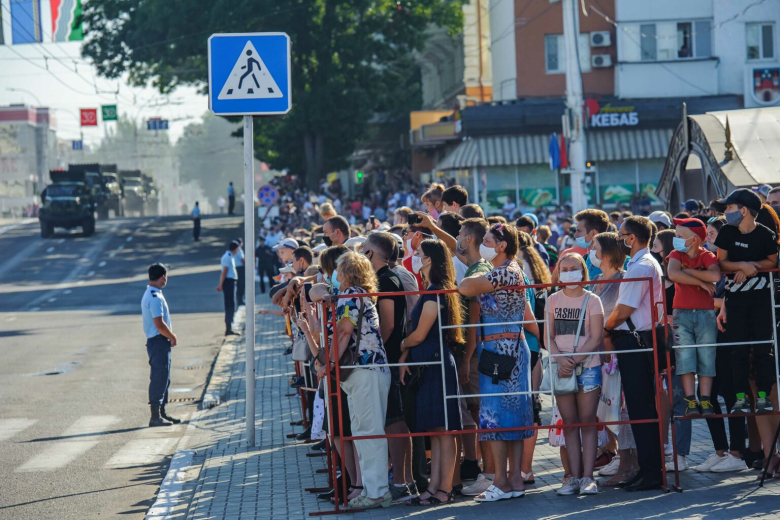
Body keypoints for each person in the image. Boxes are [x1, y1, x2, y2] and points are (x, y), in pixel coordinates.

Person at [459, 223, 540, 502]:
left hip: (501, 349)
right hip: (507, 348)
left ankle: (503, 481)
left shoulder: (504, 272)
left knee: (496, 418)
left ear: (502, 246)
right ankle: (513, 480)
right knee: (513, 418)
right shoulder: (511, 270)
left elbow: (465, 287)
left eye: (488, 241)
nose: (484, 245)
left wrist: (479, 267)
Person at [398, 239, 463, 506]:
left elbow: (420, 334)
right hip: (429, 363)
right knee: (436, 431)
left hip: (436, 363)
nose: (414, 256)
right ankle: (435, 486)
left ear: (428, 261)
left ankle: (444, 489)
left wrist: (401, 346)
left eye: (419, 253)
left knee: (444, 431)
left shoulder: (436, 292)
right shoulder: (431, 289)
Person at [603, 216, 664, 491]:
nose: (619, 239)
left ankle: (652, 472)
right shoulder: (644, 263)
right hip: (638, 338)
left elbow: (624, 309)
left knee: (641, 409)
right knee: (641, 409)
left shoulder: (640, 266)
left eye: (621, 234)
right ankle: (648, 469)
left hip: (634, 339)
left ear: (632, 238)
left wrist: (606, 327)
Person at [330, 252, 393, 510]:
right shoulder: (362, 293)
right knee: (363, 431)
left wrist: (330, 363)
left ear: (346, 272)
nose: (336, 275)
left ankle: (377, 492)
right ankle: (370, 489)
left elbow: (345, 330)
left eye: (338, 270)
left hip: (365, 369)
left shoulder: (351, 294)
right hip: (369, 369)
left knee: (368, 432)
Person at [361, 232, 417, 502]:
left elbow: (389, 324)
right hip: (392, 357)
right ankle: (403, 480)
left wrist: (375, 351)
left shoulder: (386, 280)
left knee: (395, 422)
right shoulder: (387, 278)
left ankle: (404, 482)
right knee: (395, 421)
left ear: (371, 254)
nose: (361, 255)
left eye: (363, 250)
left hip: (390, 359)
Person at [715, 189, 778, 415]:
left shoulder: (766, 234)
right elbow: (721, 263)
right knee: (738, 350)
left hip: (761, 299)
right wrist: (741, 266)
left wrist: (750, 267)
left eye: (729, 208)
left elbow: (772, 261)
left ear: (743, 210)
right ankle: (740, 398)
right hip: (736, 301)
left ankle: (763, 396)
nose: (726, 212)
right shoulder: (726, 232)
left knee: (763, 348)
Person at [547, 253, 605, 496]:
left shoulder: (593, 300)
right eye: (565, 268)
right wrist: (562, 360)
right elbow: (548, 337)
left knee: (588, 422)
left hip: (589, 367)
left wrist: (574, 360)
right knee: (569, 424)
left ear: (582, 271)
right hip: (561, 367)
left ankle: (588, 478)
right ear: (559, 272)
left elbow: (596, 336)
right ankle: (571, 476)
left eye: (574, 268)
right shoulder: (552, 300)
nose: (569, 272)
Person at [589, 233, 639, 487]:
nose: (592, 252)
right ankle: (616, 455)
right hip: (596, 353)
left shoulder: (623, 280)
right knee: (606, 408)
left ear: (606, 254)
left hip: (616, 352)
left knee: (622, 408)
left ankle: (628, 461)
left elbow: (620, 314)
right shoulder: (595, 279)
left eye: (595, 248)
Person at [455, 218, 496, 497]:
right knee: (478, 411)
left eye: (459, 233)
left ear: (469, 239)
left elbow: (473, 319)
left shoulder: (479, 269)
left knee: (482, 413)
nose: (456, 238)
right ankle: (487, 470)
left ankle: (490, 473)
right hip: (482, 350)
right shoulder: (474, 265)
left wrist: (466, 358)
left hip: (480, 351)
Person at [141, 263, 180, 427]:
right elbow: (159, 324)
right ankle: (155, 416)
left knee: (165, 378)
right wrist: (172, 336)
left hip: (158, 341)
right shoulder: (154, 297)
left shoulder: (152, 293)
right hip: (158, 341)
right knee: (158, 377)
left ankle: (162, 413)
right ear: (163, 277)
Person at [217, 240, 240, 336]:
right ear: (236, 249)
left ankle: (229, 326)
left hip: (230, 282)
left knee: (231, 304)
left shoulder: (229, 256)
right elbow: (224, 271)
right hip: (229, 282)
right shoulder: (228, 257)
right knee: (230, 305)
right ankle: (228, 327)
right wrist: (220, 284)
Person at [235, 238, 246, 306]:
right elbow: (242, 260)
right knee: (241, 284)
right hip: (240, 268)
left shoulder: (235, 249)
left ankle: (239, 299)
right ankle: (240, 300)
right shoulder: (239, 250)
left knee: (239, 285)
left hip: (236, 268)